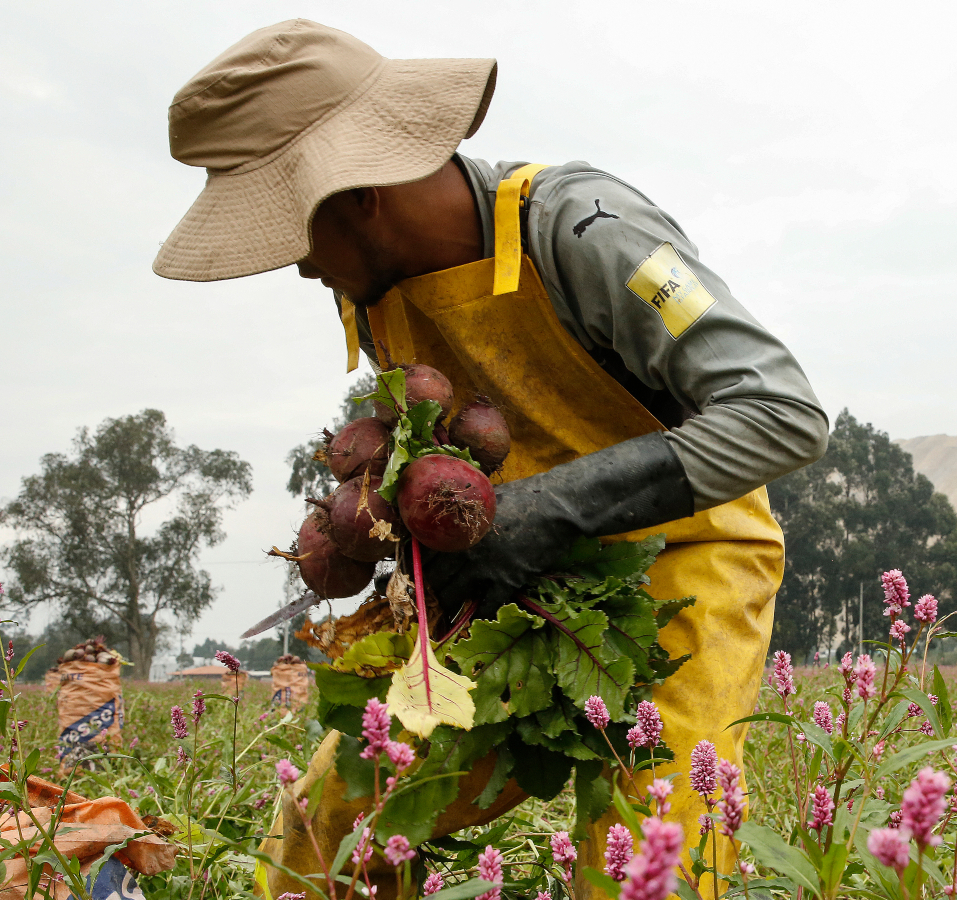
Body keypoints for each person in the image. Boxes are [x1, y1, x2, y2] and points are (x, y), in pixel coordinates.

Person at [154, 19, 827, 898]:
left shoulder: (586, 231)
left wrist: (544, 511)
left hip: (686, 569)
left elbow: (783, 413)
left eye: (292, 229)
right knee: (333, 819)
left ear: (361, 193)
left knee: (653, 848)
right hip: (510, 594)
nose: (294, 266)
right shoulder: (372, 288)